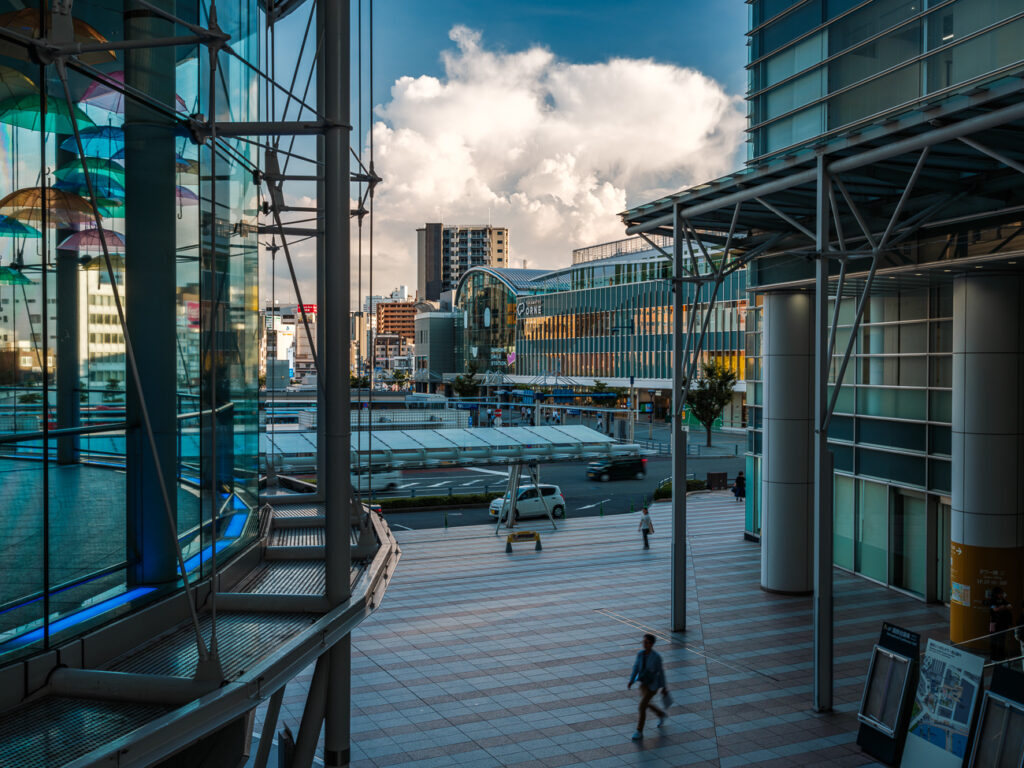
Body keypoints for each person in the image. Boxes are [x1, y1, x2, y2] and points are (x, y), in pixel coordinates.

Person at [628, 633, 668, 741]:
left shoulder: (656, 657)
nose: (644, 644)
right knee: (646, 703)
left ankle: (639, 731)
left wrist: (664, 687)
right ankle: (661, 714)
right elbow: (636, 667)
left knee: (642, 706)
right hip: (643, 684)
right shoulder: (640, 654)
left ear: (651, 644)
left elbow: (661, 672)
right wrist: (631, 680)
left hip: (652, 686)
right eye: (643, 642)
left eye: (646, 642)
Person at [988, 586, 1013, 662]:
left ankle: (1001, 656)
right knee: (994, 640)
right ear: (996, 594)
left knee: (1002, 640)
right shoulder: (992, 601)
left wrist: (1002, 607)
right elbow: (995, 609)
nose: (1002, 594)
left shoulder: (1003, 600)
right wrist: (1002, 607)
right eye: (1000, 593)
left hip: (1003, 624)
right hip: (994, 624)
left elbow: (1010, 606)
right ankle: (994, 657)